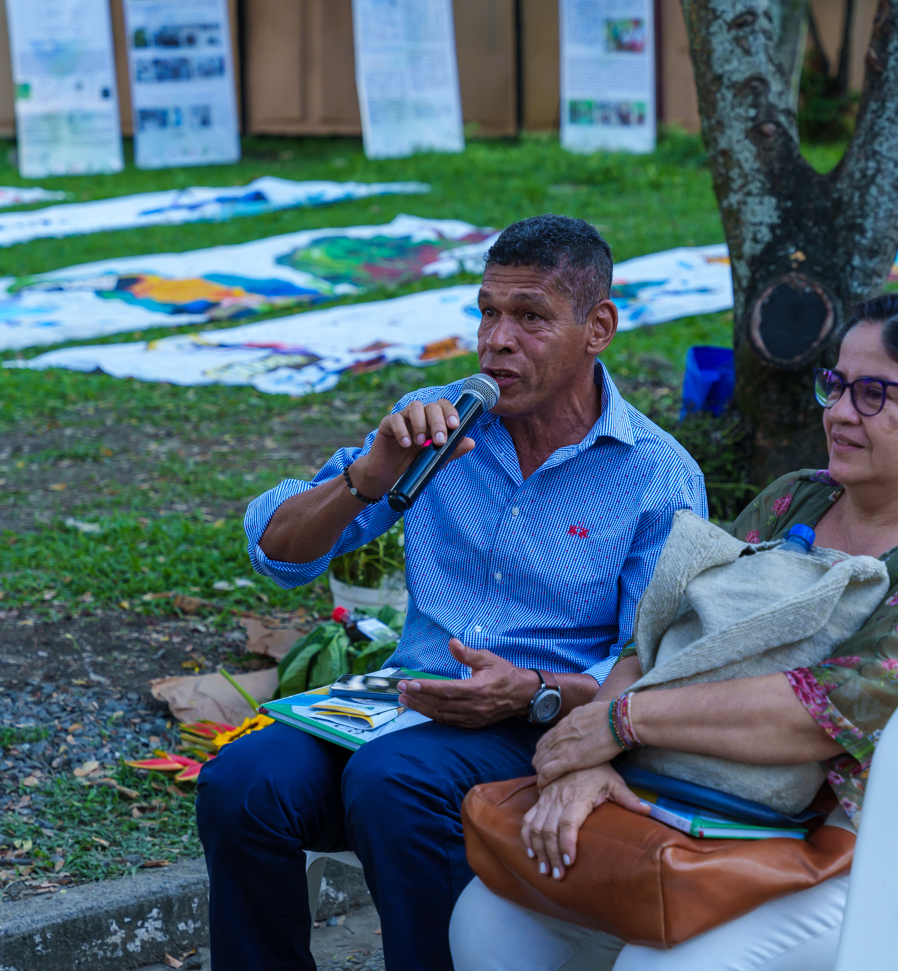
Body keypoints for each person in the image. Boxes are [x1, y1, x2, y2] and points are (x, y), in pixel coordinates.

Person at [450, 290, 898, 971]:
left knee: (663, 967)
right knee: (487, 924)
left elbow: (823, 715)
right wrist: (592, 762)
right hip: (710, 807)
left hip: (876, 846)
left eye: (874, 394)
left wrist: (620, 725)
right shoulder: (797, 499)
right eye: (837, 385)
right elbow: (663, 632)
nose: (840, 413)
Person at [197, 214, 707, 971]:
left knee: (391, 783)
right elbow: (279, 554)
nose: (497, 339)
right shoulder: (439, 427)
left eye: (530, 317)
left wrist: (529, 692)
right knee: (241, 783)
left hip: (538, 720)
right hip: (402, 704)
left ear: (598, 327)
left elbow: (648, 662)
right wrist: (365, 479)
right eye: (487, 312)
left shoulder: (657, 477)